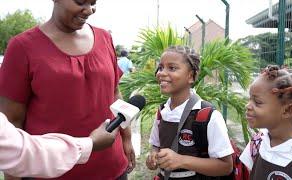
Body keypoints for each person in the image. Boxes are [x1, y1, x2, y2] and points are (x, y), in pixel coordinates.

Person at [0, 0, 135, 179]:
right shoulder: (22, 47)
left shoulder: (105, 38)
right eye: (80, 2)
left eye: (93, 3)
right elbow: (13, 121)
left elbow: (114, 93)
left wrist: (126, 139)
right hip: (50, 172)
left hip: (111, 167)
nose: (89, 10)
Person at [146, 46, 234, 179]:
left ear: (191, 76)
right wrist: (152, 156)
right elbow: (156, 146)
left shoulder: (207, 115)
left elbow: (226, 166)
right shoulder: (162, 111)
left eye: (172, 68)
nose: (162, 73)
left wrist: (180, 160)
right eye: (160, 67)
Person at [239, 65, 292, 179]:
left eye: (257, 102)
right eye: (250, 99)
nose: (248, 106)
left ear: (288, 110)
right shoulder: (257, 142)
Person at [1, 113, 117, 178]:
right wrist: (91, 143)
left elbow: (115, 91)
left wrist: (126, 137)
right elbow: (20, 151)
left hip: (107, 170)